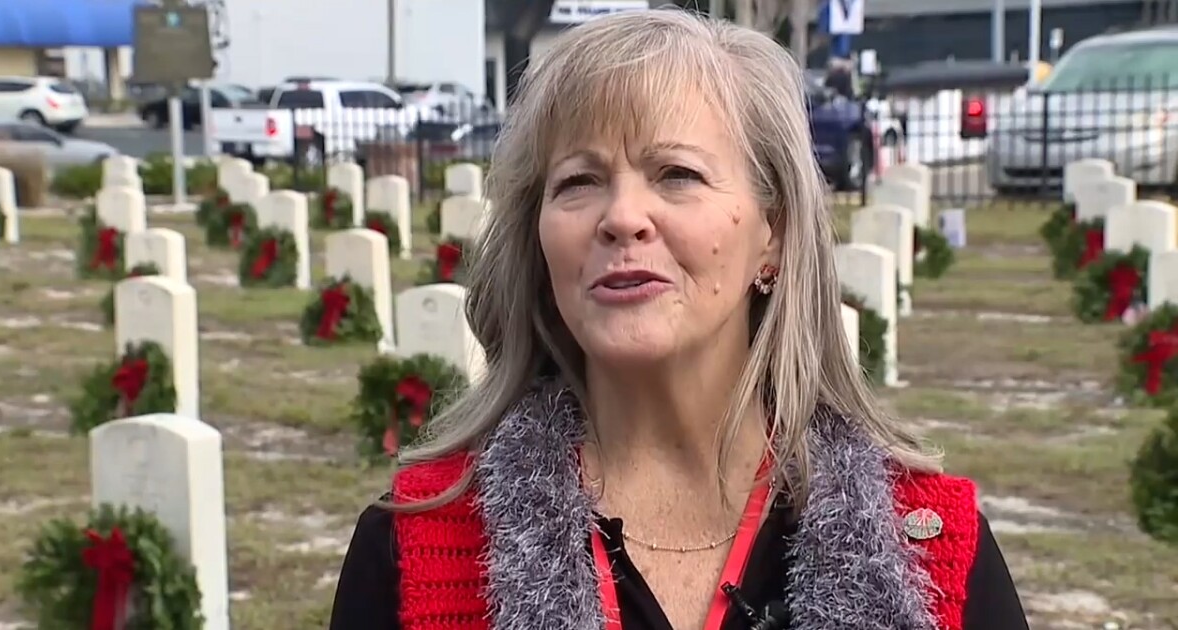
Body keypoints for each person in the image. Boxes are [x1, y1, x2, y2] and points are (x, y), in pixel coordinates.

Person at [329, 9, 1029, 630]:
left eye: (677, 174)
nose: (623, 217)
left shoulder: (932, 553)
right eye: (579, 181)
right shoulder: (413, 548)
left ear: (774, 234)